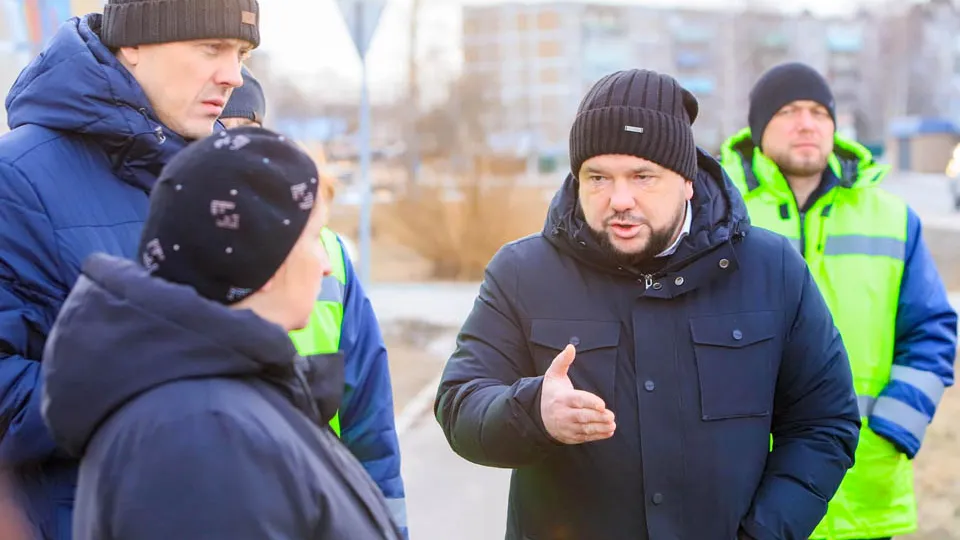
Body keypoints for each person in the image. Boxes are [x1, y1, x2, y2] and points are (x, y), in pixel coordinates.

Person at [434, 68, 862, 540]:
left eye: (642, 176)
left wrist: (765, 533)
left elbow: (824, 424)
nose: (620, 199)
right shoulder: (523, 273)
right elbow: (460, 403)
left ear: (687, 180)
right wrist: (532, 411)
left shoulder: (771, 269)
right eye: (598, 177)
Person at [40, 126, 404, 540]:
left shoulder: (224, 407)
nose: (326, 265)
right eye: (312, 239)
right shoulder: (203, 433)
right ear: (263, 256)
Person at [0, 2, 258, 538]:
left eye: (241, 53)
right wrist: (153, 377)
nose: (233, 75)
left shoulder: (219, 174)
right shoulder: (16, 180)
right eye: (211, 48)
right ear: (133, 45)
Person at [719, 62, 958, 540]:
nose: (806, 123)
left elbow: (932, 331)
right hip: (744, 488)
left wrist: (896, 428)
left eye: (818, 112)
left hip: (863, 486)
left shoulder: (892, 217)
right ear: (759, 127)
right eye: (788, 111)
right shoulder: (717, 213)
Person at [221, 68, 409, 535]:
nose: (234, 151)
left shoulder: (332, 258)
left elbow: (371, 430)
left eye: (249, 133)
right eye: (220, 133)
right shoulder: (180, 251)